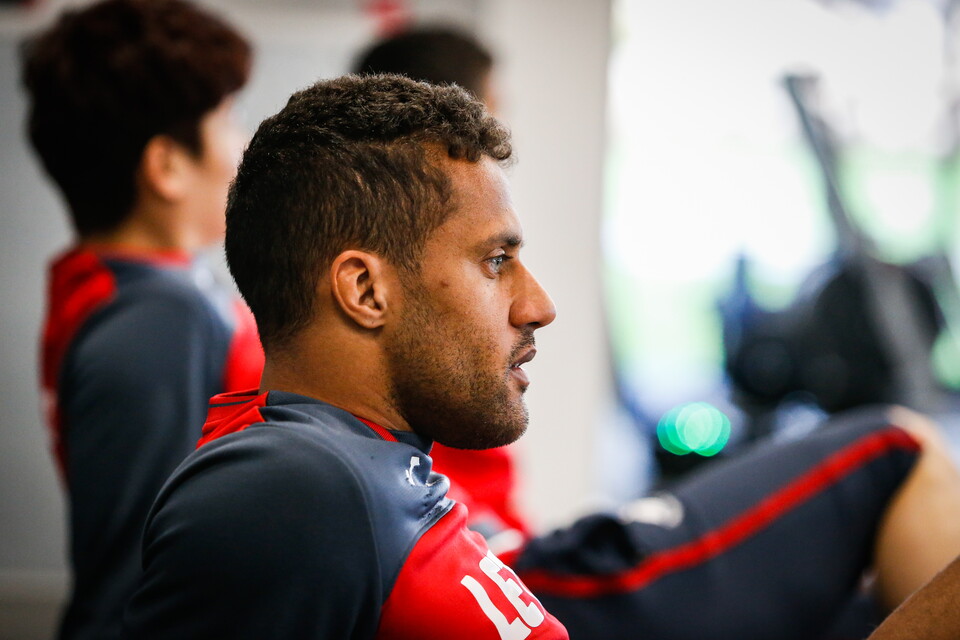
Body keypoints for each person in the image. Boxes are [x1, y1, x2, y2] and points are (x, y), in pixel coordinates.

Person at [122, 73, 960, 639]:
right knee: (894, 450)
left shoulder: (365, 471)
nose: (539, 305)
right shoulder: (293, 483)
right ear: (366, 290)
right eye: (495, 261)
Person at [20, 2, 261, 638]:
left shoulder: (140, 286)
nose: (242, 146)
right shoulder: (154, 319)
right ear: (166, 166)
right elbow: (134, 575)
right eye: (227, 121)